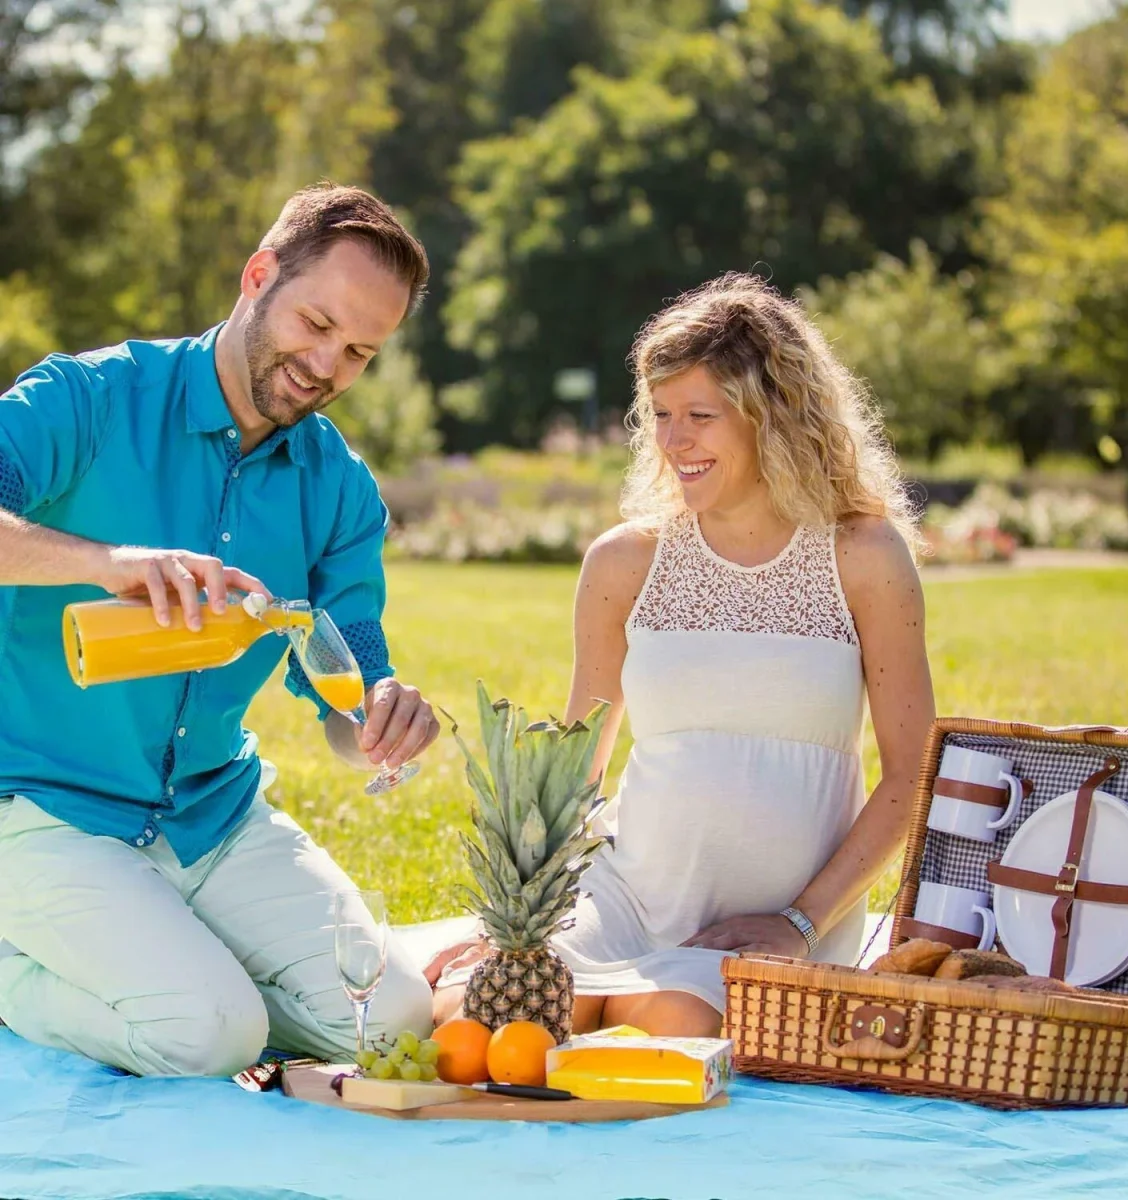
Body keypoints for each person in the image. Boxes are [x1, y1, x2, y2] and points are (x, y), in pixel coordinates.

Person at [0, 182, 439, 1075]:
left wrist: (382, 720)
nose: (325, 366)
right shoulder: (90, 399)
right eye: (315, 324)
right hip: (40, 807)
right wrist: (104, 563)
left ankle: (184, 969)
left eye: (359, 352)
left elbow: (344, 700)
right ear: (258, 275)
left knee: (392, 1022)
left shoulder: (340, 491)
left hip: (213, 815)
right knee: (207, 1033)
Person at [429, 272, 936, 1036]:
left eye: (700, 416)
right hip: (625, 898)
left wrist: (799, 922)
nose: (673, 442)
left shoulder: (863, 555)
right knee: (476, 1011)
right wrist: (516, 931)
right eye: (661, 415)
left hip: (778, 932)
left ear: (776, 416)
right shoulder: (624, 562)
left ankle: (592, 1013)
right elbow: (577, 769)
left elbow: (914, 773)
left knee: (670, 1023)